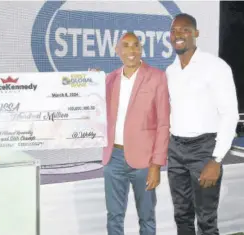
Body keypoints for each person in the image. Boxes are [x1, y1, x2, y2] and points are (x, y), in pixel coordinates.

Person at [166, 13, 239, 235]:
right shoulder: (171, 71)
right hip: (175, 149)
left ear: (196, 33)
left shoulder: (215, 67)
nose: (179, 34)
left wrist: (216, 159)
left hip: (204, 150)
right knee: (182, 215)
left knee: (206, 220)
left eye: (185, 29)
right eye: (174, 31)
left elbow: (230, 114)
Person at [91, 32, 170, 235]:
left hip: (144, 162)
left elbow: (163, 124)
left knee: (147, 217)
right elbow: (95, 112)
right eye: (125, 46)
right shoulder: (109, 80)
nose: (131, 50)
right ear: (117, 51)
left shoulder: (157, 77)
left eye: (135, 45)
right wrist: (90, 83)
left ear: (141, 49)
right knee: (114, 217)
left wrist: (156, 164)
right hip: (113, 158)